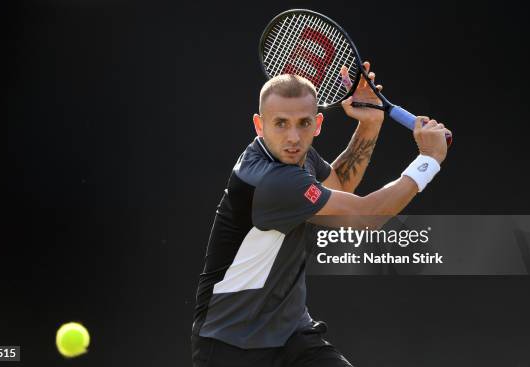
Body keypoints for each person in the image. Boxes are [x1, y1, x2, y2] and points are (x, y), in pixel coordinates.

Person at [191, 62, 451, 367]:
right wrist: (429, 160)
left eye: (303, 123)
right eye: (281, 123)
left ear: (317, 124)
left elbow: (339, 187)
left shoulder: (299, 157)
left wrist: (369, 123)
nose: (293, 137)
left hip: (292, 336)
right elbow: (365, 217)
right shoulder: (270, 181)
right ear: (259, 126)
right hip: (230, 345)